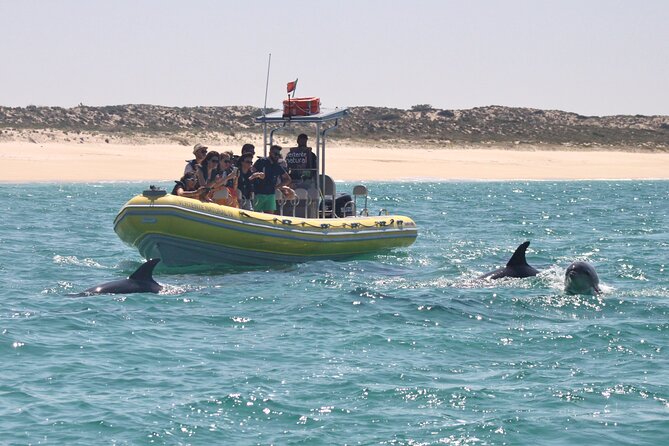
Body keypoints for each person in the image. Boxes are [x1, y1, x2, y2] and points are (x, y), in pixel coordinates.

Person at [252, 145, 292, 214]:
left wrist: (277, 187)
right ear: (270, 153)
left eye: (278, 155)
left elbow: (288, 179)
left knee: (269, 216)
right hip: (259, 193)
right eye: (275, 154)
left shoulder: (277, 166)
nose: (277, 156)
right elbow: (251, 172)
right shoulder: (261, 162)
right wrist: (257, 177)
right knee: (256, 215)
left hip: (271, 194)